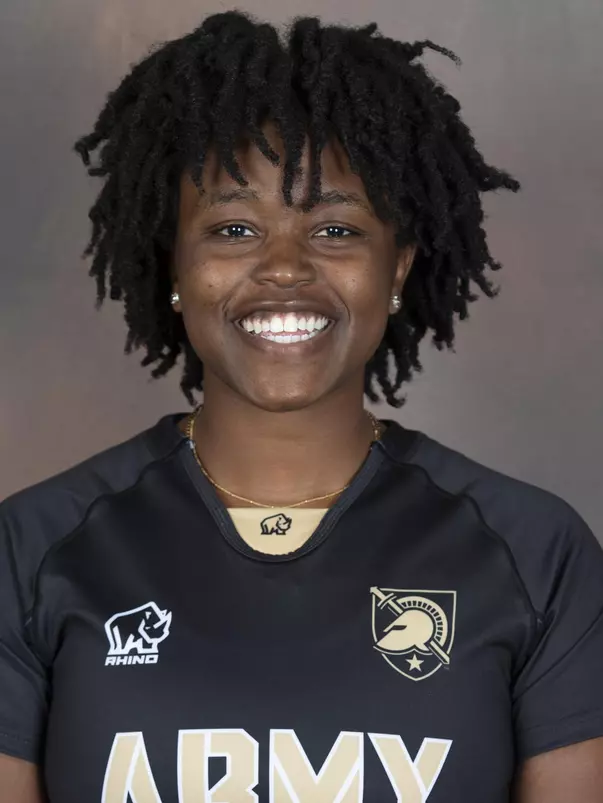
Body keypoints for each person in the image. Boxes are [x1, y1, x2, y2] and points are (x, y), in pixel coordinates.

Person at [1, 10, 602, 802]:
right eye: (235, 227)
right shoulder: (33, 548)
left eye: (335, 229)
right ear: (175, 265)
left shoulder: (535, 553)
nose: (284, 269)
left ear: (397, 269)